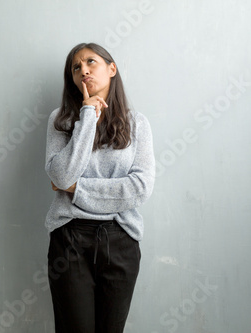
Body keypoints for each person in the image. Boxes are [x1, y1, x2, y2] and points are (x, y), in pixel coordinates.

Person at [44, 42, 155, 332]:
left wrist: (74, 189)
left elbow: (139, 188)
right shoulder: (60, 120)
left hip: (121, 240)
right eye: (76, 67)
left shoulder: (137, 124)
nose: (83, 70)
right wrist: (87, 118)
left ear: (111, 68)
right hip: (70, 240)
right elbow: (60, 173)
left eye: (91, 62)